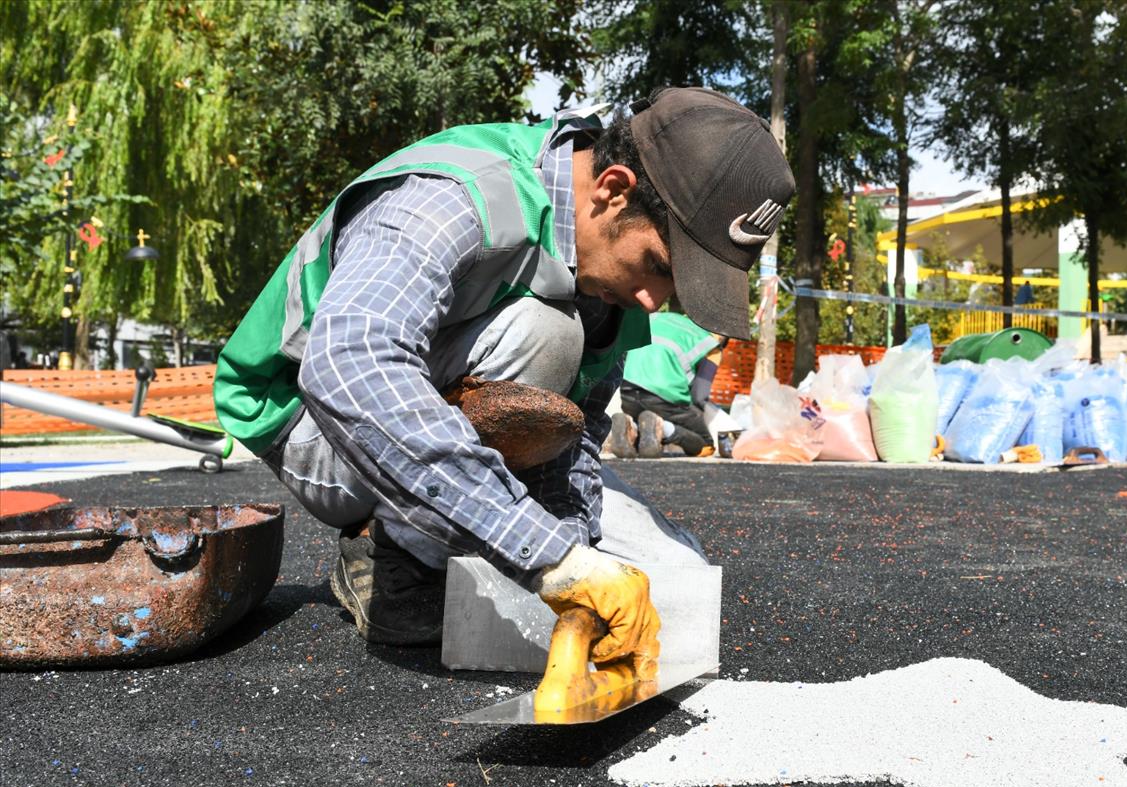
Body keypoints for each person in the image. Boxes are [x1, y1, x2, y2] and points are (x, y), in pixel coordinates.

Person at [212, 87, 794, 672]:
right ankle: (401, 558)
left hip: (437, 419)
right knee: (546, 330)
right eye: (660, 267)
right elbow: (350, 365)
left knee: (675, 579)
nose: (654, 299)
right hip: (317, 430)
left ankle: (452, 537)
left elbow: (578, 437)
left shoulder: (608, 277)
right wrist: (549, 559)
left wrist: (575, 547)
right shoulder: (452, 198)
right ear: (613, 191)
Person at [607, 309, 724, 458]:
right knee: (706, 445)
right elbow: (700, 396)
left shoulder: (659, 318)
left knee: (644, 438)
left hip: (628, 392)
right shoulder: (710, 343)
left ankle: (631, 425)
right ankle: (663, 426)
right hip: (664, 399)